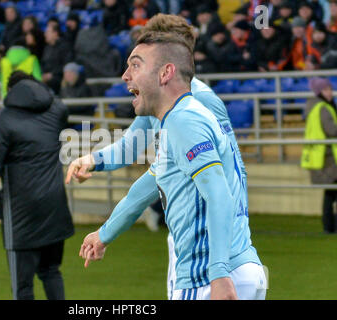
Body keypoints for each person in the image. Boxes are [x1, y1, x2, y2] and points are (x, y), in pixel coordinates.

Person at [70, 14, 265, 300]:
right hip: (227, 256)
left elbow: (218, 188)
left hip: (209, 260)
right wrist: (94, 161)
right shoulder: (175, 107)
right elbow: (144, 157)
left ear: (167, 67)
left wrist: (219, 271)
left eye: (138, 64)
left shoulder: (188, 109)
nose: (128, 76)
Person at [0, 71, 75, 300]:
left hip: (21, 215)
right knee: (51, 272)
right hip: (54, 207)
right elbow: (57, 105)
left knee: (22, 287)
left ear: (10, 91)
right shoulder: (56, 112)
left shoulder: (1, 121)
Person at [302, 77, 337, 234]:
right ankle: (330, 227)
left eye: (330, 89)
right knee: (331, 193)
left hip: (322, 156)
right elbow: (332, 130)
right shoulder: (323, 107)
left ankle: (328, 226)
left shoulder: (314, 106)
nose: (330, 92)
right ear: (319, 91)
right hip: (328, 156)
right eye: (326, 89)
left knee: (330, 192)